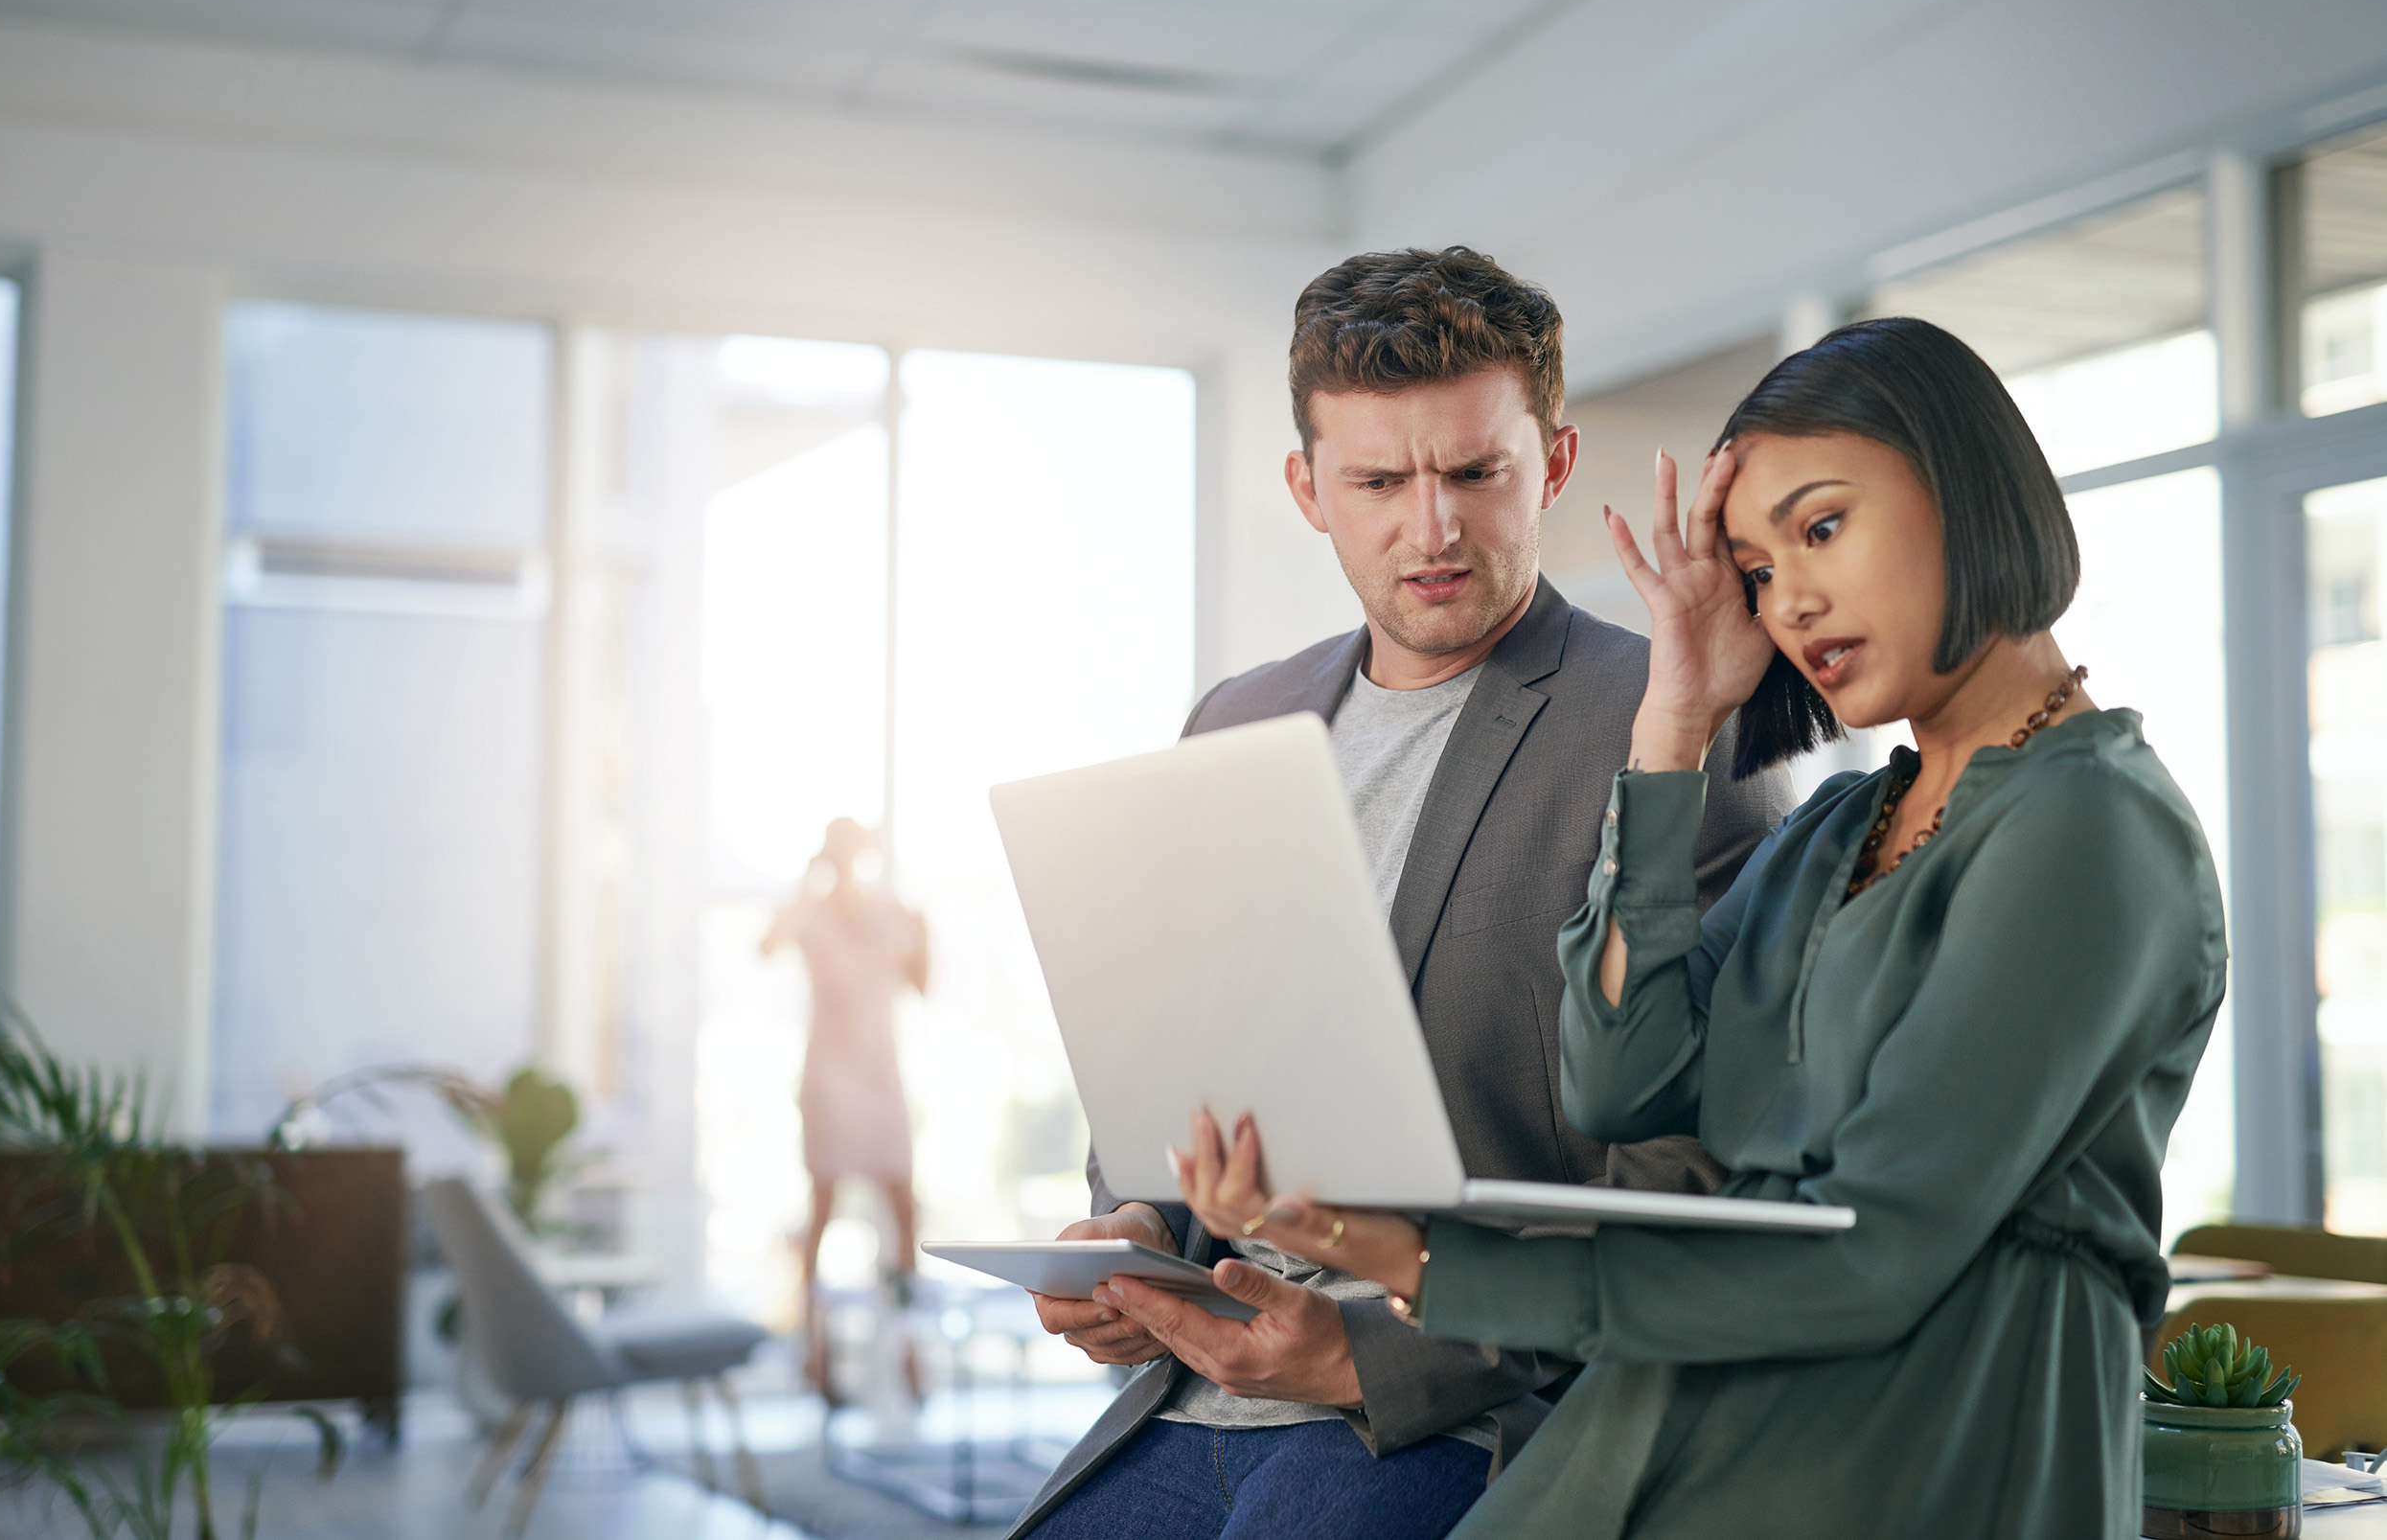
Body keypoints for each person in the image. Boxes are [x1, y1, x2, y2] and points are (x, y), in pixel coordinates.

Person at [1171, 315, 2227, 1538]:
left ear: (1970, 493)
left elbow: (1872, 1254)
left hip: (1915, 1449)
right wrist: (1673, 726)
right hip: (1684, 1418)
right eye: (1760, 571)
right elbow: (1621, 1083)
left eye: (1823, 527)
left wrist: (1416, 1259)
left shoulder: (2088, 827)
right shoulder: (1840, 826)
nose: (1795, 600)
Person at [1009, 248, 1793, 1540]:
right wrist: (1135, 1226)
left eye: (1472, 474)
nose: (1429, 529)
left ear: (1548, 462)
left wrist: (1366, 1358)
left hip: (1442, 1422)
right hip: (1183, 1391)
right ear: (1306, 488)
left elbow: (1694, 1188)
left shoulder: (1670, 718)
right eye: (1376, 480)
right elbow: (1173, 1060)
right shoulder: (1237, 717)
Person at [759, 816, 930, 1404]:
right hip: (831, 1076)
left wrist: (923, 928)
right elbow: (766, 946)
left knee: (905, 1212)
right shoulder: (810, 910)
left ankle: (910, 1344)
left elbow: (922, 983)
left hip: (880, 1075)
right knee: (822, 1212)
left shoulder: (891, 910)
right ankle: (812, 1346)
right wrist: (807, 887)